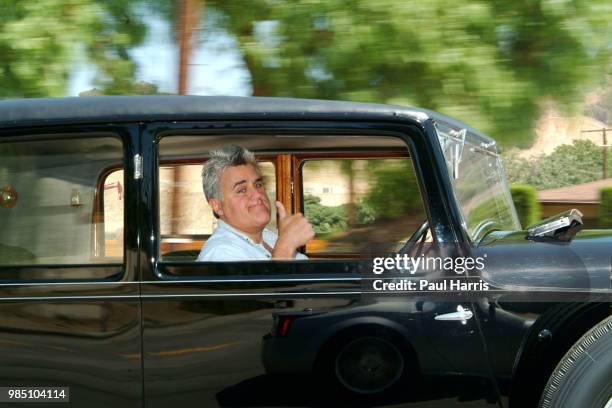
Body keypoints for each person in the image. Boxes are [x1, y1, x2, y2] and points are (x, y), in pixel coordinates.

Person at [197, 145, 314, 261]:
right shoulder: (220, 253)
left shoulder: (269, 238)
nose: (258, 194)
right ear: (216, 206)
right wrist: (285, 247)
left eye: (258, 185)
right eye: (242, 190)